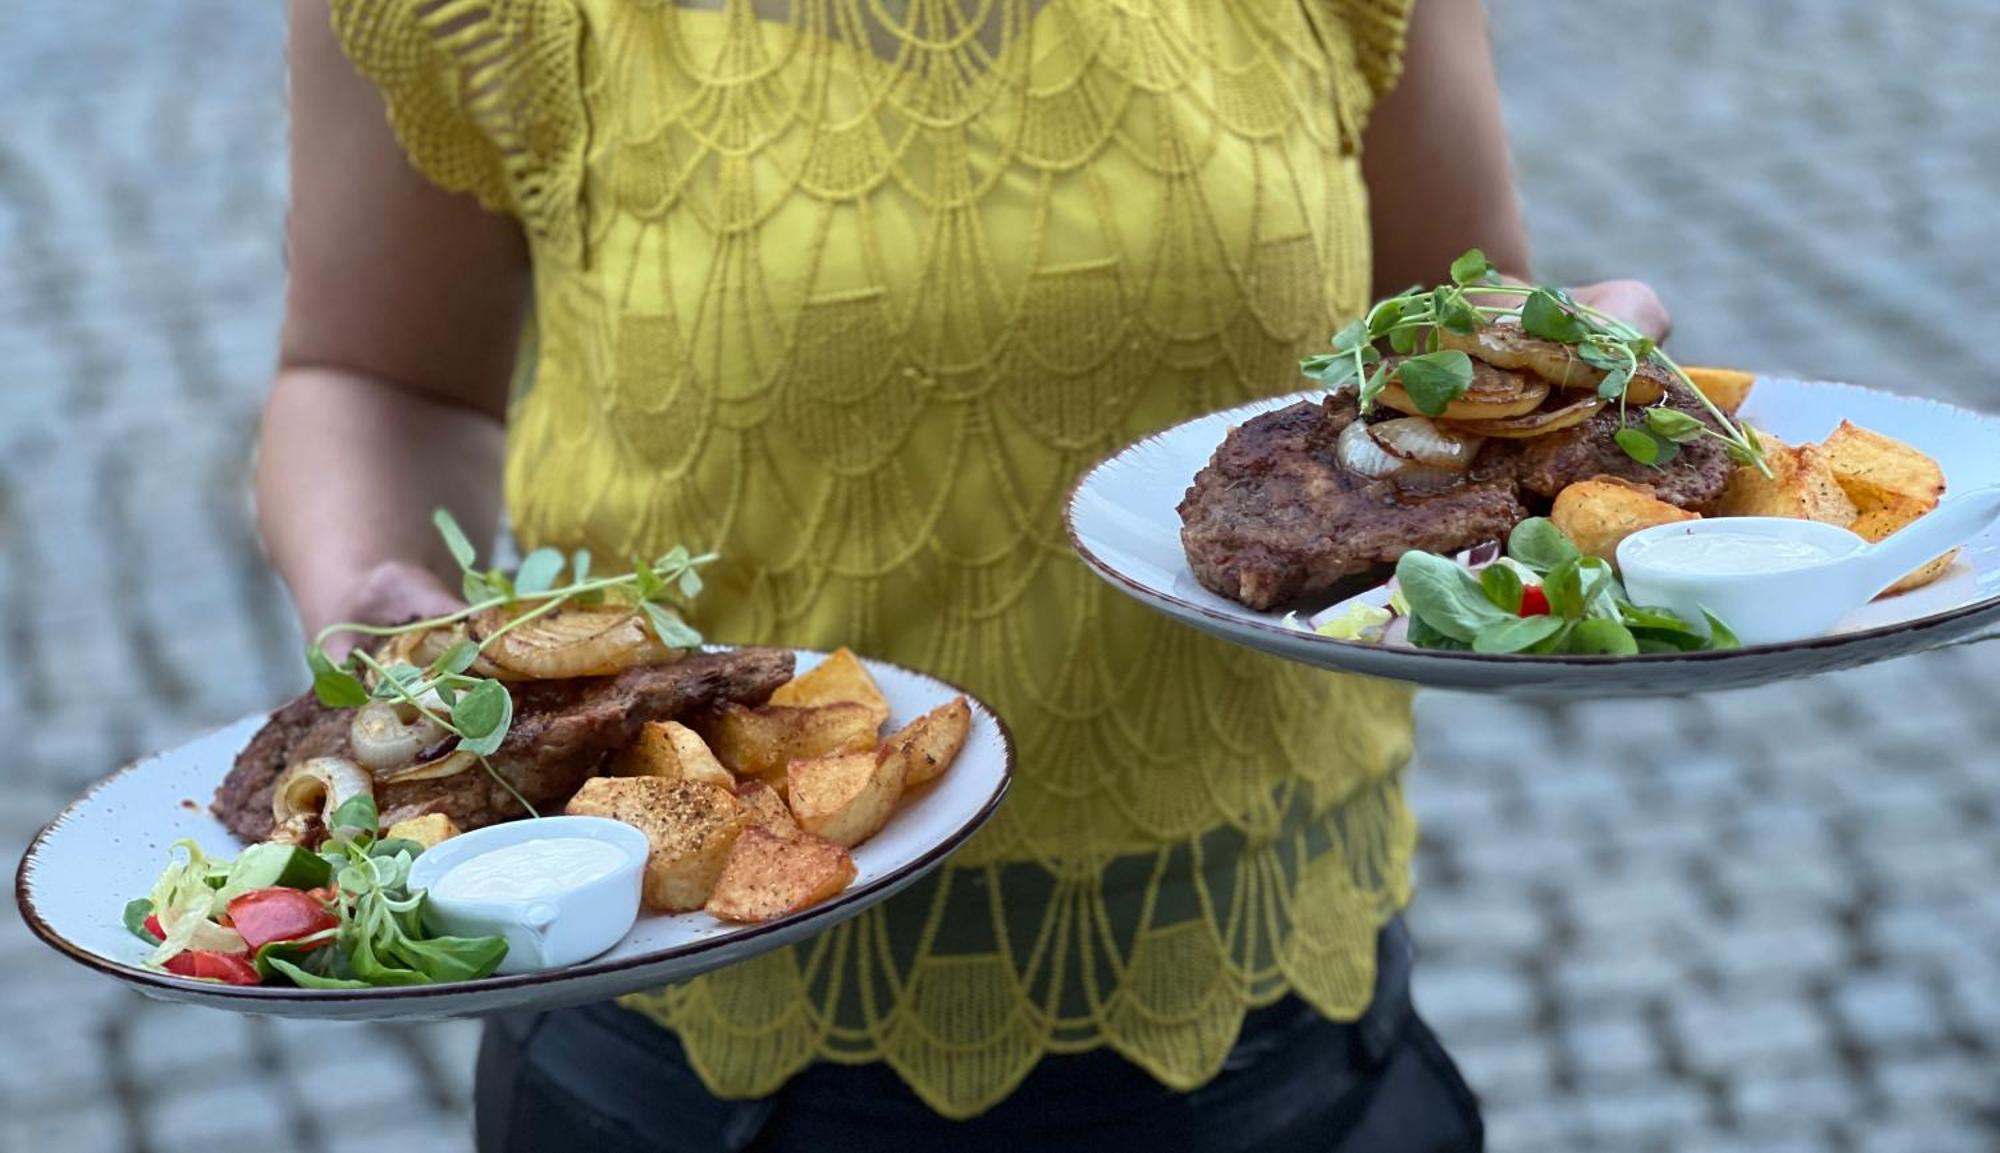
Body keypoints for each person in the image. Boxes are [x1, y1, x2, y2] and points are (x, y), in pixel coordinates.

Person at [264, 0, 1669, 1148]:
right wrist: (376, 603)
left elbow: (1435, 332)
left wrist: (1568, 364)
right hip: (691, 1072)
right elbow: (374, 377)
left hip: (1286, 1026)